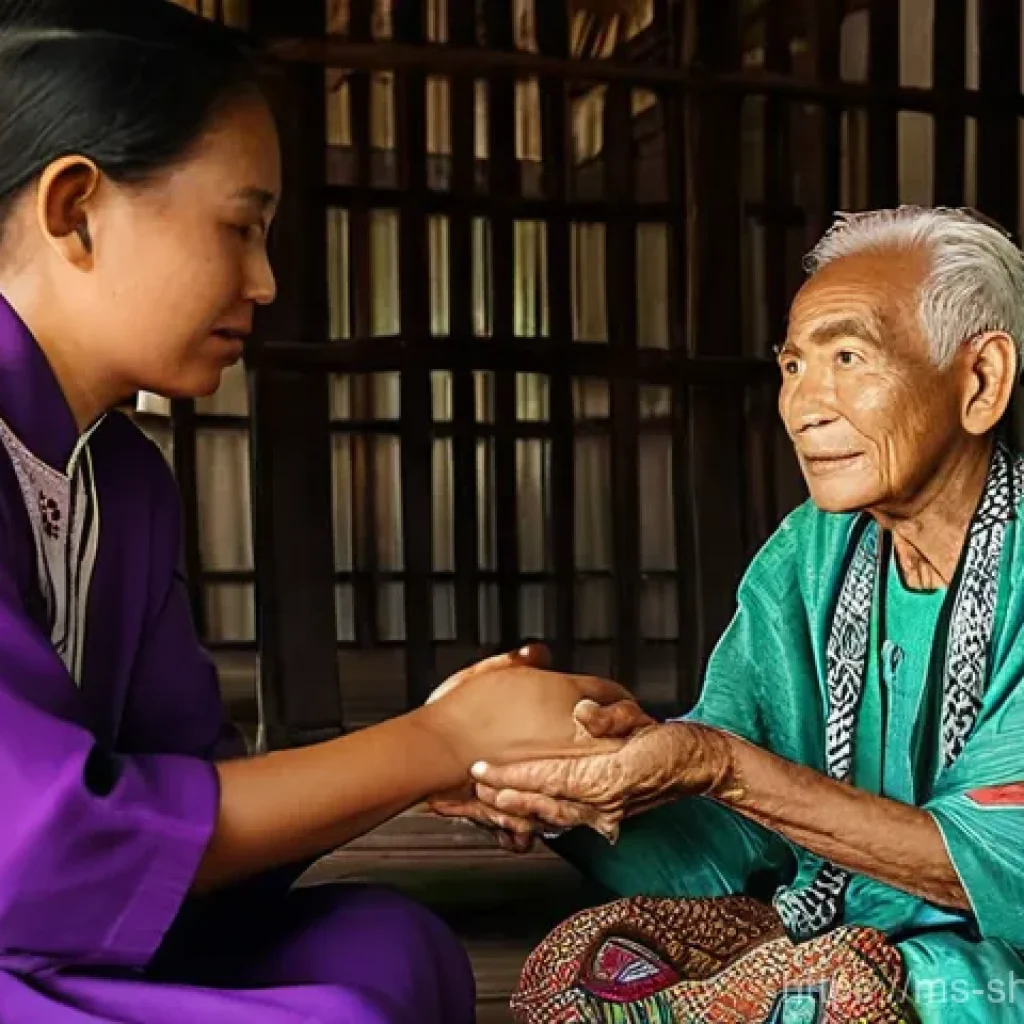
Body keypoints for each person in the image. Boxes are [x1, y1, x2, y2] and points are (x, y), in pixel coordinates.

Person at [0, 2, 632, 1022]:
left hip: (45, 925)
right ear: (75, 209)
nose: (265, 279)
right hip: (23, 912)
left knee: (391, 943)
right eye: (239, 227)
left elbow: (194, 806)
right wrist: (429, 740)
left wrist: (436, 753)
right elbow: (42, 855)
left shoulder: (120, 479)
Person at [453, 206, 1024, 1022]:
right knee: (592, 961)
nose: (804, 407)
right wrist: (564, 785)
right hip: (830, 931)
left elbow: (1002, 871)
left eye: (849, 358)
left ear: (980, 382)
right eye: (793, 368)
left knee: (861, 994)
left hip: (989, 972)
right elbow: (728, 845)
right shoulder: (810, 553)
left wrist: (716, 765)